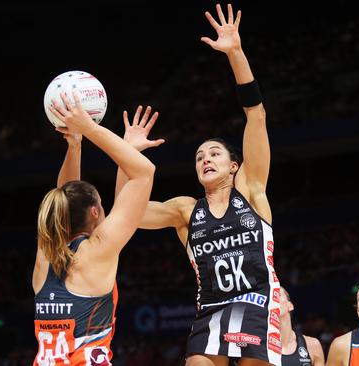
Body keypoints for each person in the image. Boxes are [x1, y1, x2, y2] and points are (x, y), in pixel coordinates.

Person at [115, 4, 281, 365]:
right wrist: (126, 155)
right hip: (210, 311)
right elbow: (124, 216)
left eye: (215, 154)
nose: (205, 158)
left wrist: (235, 53)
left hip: (257, 303)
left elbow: (256, 114)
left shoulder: (251, 189)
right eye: (199, 156)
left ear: (235, 166)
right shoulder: (185, 210)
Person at [32, 92, 156, 365]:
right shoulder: (96, 252)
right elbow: (144, 173)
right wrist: (89, 128)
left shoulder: (45, 255)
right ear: (95, 212)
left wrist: (74, 144)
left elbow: (66, 196)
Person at [278, 287, 325, 366]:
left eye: (277, 295)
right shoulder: (257, 348)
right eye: (269, 297)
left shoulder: (312, 345)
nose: (273, 300)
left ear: (290, 305)